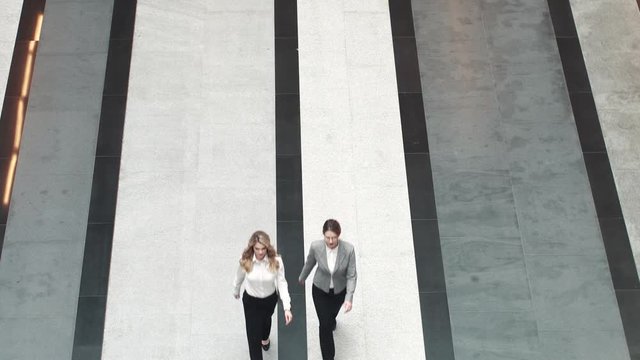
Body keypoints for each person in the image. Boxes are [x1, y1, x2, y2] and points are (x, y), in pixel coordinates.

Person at [298, 219, 357, 360]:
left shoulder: (348, 250)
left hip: (339, 292)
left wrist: (348, 298)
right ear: (323, 235)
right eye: (327, 237)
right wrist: (302, 277)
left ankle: (332, 320)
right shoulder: (316, 246)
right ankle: (328, 357)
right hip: (320, 290)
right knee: (324, 325)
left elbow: (352, 275)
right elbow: (310, 262)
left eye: (334, 238)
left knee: (331, 317)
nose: (330, 241)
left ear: (339, 235)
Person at [233, 230, 293, 360]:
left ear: (267, 247)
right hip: (251, 302)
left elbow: (282, 283)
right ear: (252, 247)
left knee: (266, 321)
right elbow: (239, 276)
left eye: (263, 249)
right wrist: (236, 289)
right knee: (253, 338)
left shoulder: (276, 261)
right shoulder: (245, 260)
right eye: (257, 249)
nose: (260, 252)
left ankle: (265, 338)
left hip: (269, 300)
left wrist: (287, 308)